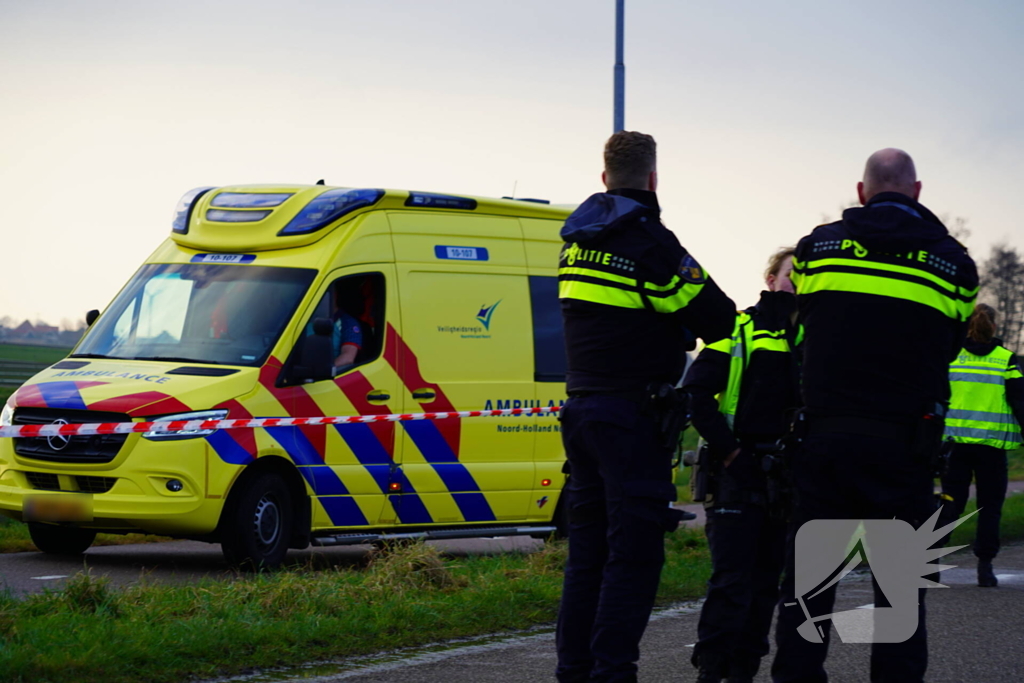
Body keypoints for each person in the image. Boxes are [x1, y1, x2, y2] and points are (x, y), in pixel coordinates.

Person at [772, 148, 978, 683]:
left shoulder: (817, 248)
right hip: (903, 449)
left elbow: (804, 327)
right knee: (898, 602)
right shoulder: (954, 264)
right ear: (917, 191)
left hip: (825, 443)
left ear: (861, 192)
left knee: (809, 598)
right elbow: (948, 347)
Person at [556, 130, 736, 682]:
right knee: (632, 559)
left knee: (586, 558)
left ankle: (573, 672)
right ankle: (613, 674)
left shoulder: (575, 241)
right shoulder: (651, 245)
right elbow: (720, 317)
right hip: (630, 422)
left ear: (604, 176)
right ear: (654, 179)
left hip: (582, 414)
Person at [684, 247, 800, 683]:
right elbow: (697, 396)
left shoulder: (811, 338)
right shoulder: (736, 328)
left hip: (786, 478)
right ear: (771, 278)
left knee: (766, 585)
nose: (798, 284)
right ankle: (711, 670)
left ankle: (745, 671)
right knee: (731, 582)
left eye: (805, 276)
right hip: (737, 472)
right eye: (791, 275)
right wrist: (732, 452)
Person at [941, 303, 1024, 587]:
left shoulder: (952, 356)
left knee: (951, 502)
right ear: (995, 326)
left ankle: (929, 560)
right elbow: (1020, 401)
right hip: (991, 448)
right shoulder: (1006, 359)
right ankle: (985, 567)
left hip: (954, 446)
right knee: (990, 507)